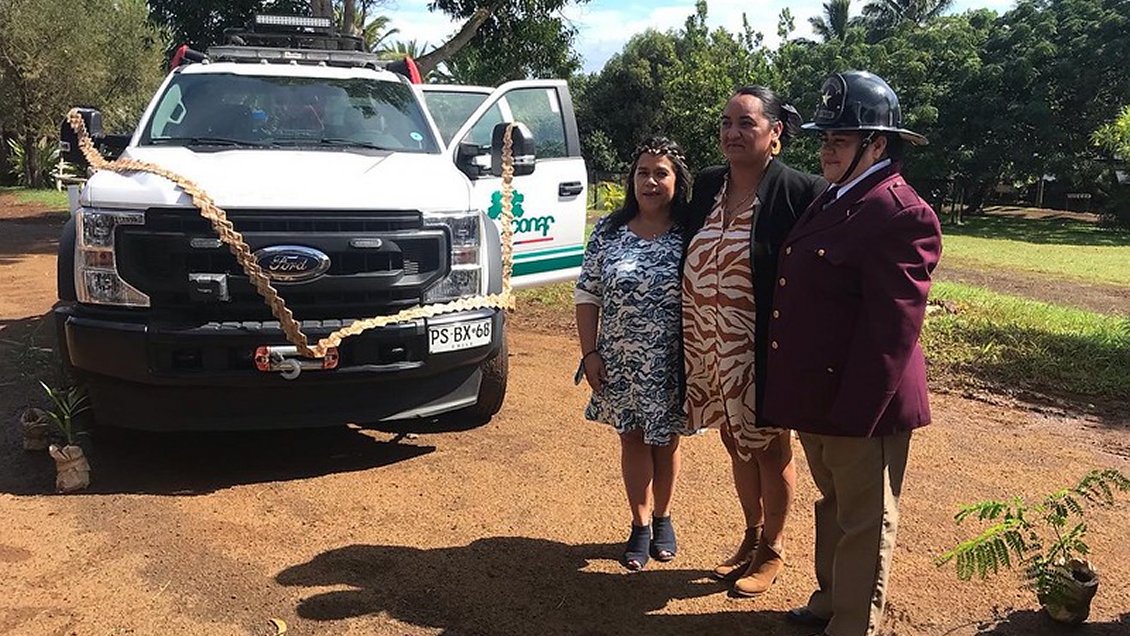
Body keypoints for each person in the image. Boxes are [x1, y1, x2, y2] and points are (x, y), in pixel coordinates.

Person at [762, 71, 943, 636]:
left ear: (878, 144)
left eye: (841, 139)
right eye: (824, 138)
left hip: (864, 405)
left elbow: (892, 331)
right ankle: (831, 600)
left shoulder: (900, 212)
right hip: (823, 395)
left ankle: (852, 624)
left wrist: (857, 416)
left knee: (865, 519)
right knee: (834, 505)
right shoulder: (841, 197)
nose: (826, 149)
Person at [682, 86, 826, 596]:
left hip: (762, 349)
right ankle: (751, 535)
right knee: (732, 439)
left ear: (775, 132)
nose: (732, 133)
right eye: (725, 122)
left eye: (745, 123)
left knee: (769, 447)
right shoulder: (706, 186)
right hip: (707, 343)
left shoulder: (799, 192)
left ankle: (774, 549)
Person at [575, 136, 693, 572]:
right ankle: (640, 525)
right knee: (633, 437)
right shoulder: (608, 230)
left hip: (673, 360)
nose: (650, 181)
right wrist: (590, 354)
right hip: (621, 357)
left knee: (666, 439)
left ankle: (664, 518)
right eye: (642, 172)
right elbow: (587, 294)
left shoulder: (690, 232)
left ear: (677, 181)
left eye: (661, 173)